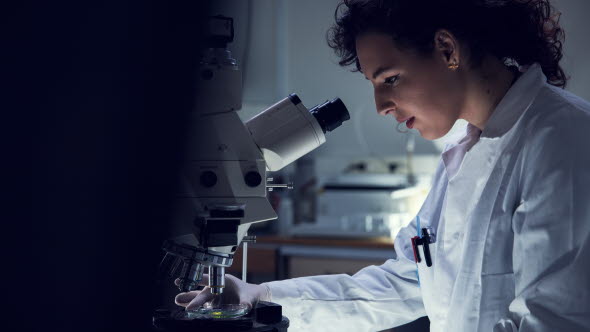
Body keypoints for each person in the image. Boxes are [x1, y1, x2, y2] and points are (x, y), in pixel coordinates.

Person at [174, 0, 590, 331]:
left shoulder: (562, 138)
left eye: (389, 79)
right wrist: (260, 297)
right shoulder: (467, 150)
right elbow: (407, 284)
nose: (380, 107)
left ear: (448, 50)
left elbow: (554, 322)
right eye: (374, 85)